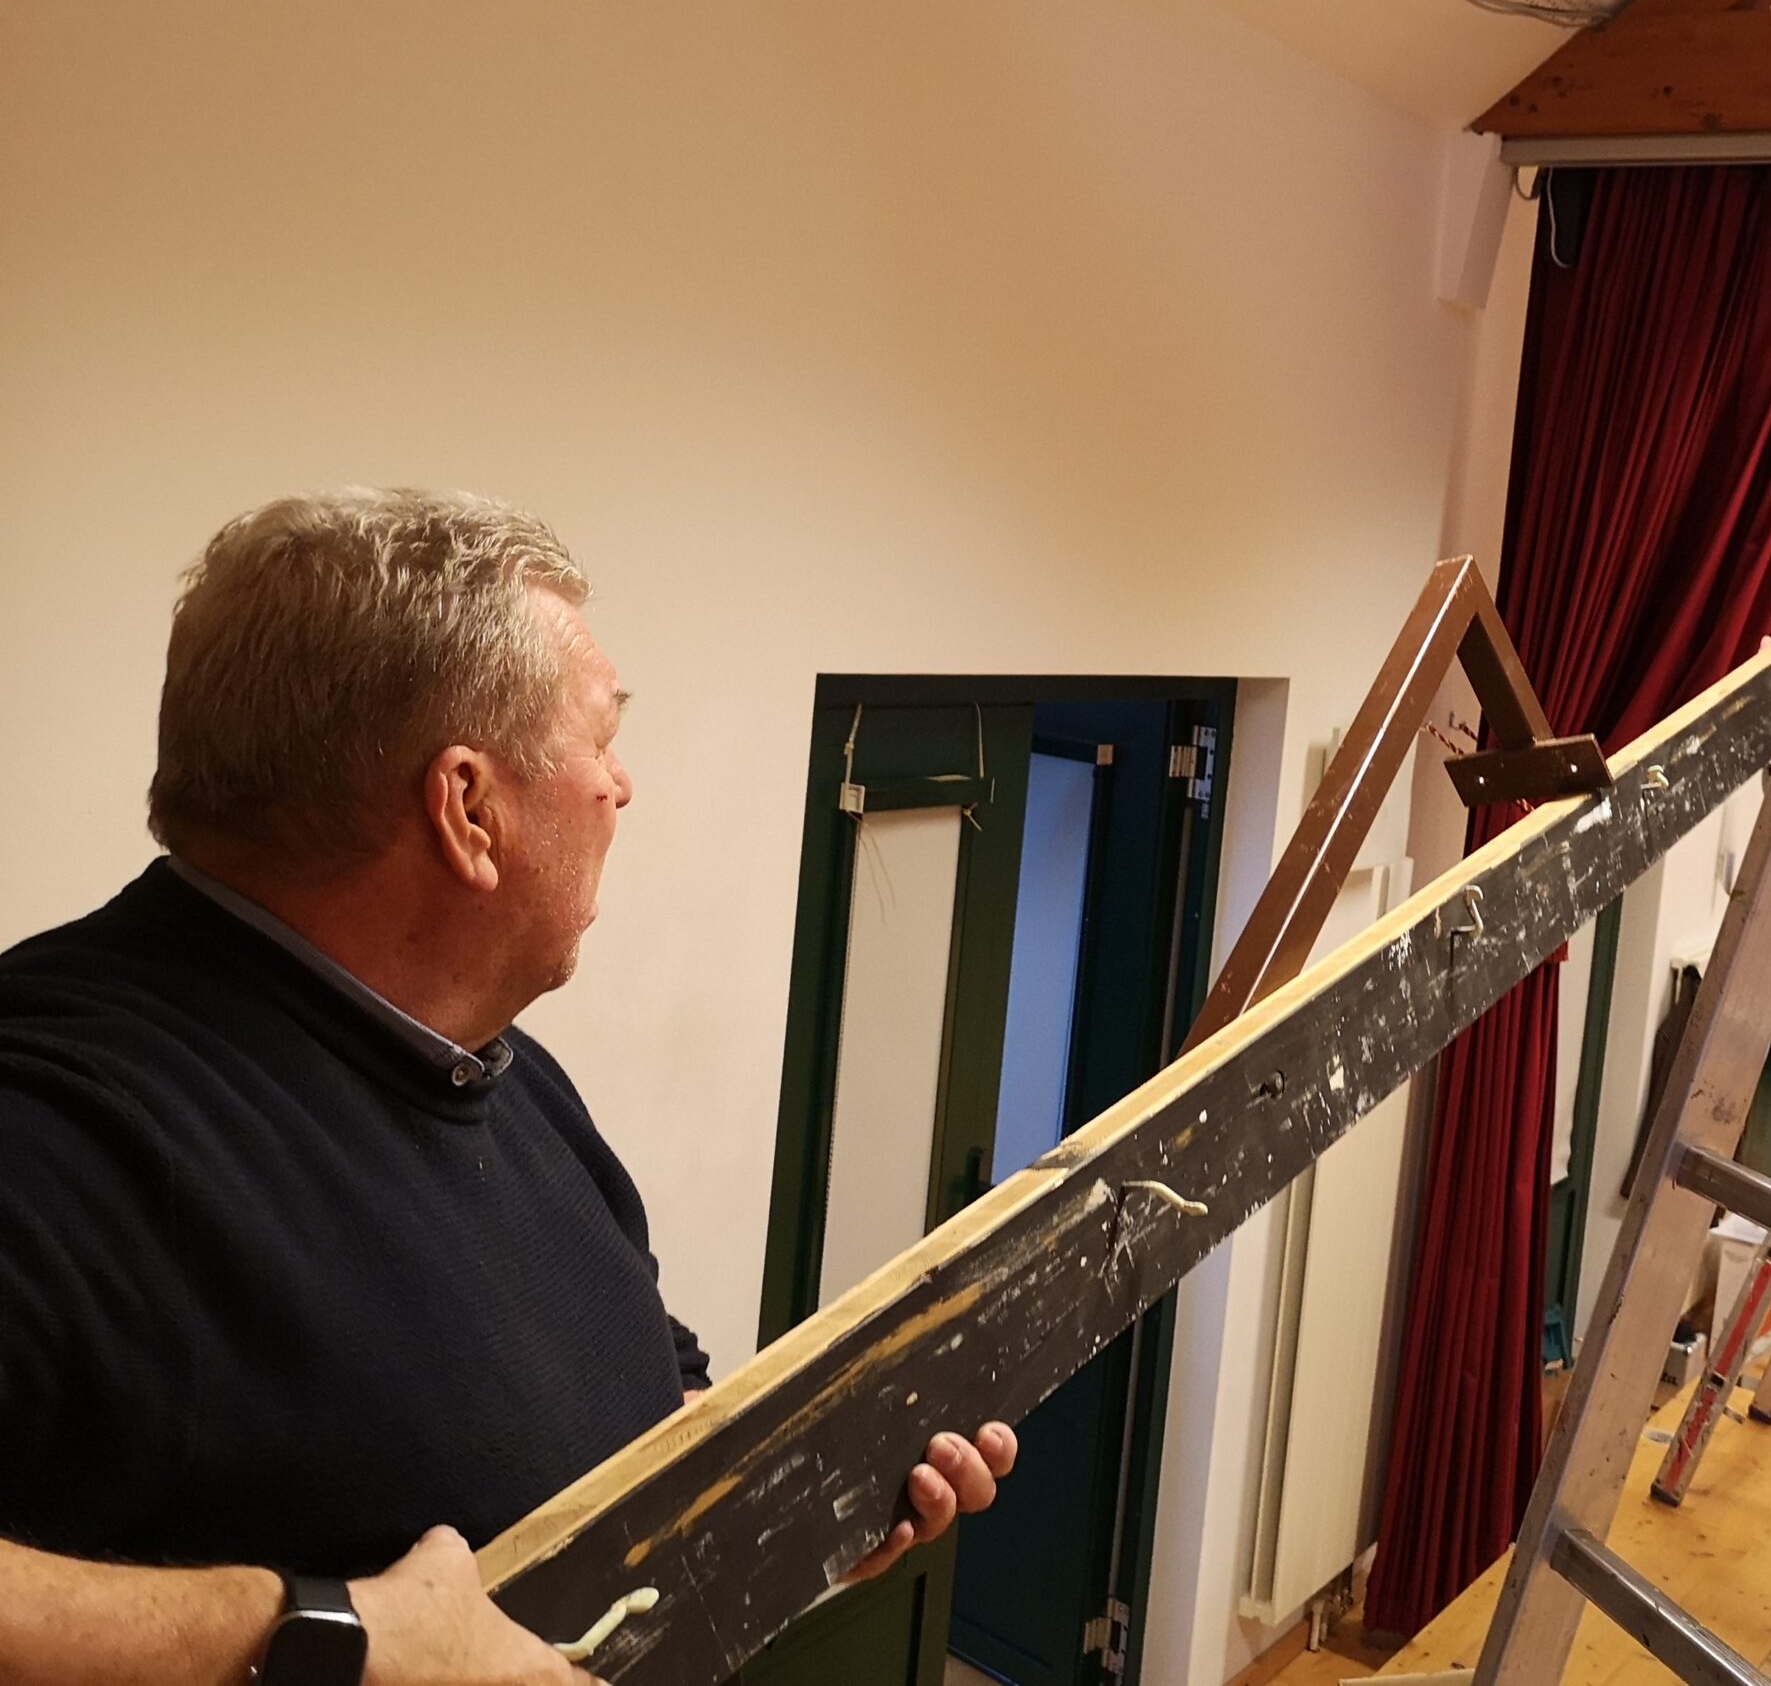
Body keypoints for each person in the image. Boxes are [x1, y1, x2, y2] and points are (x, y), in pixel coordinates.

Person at [0, 490, 1012, 1682]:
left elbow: (637, 1404)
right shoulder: (59, 1128)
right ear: (469, 807)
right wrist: (330, 1639)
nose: (621, 787)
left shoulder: (492, 1069)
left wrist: (793, 1498)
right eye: (602, 740)